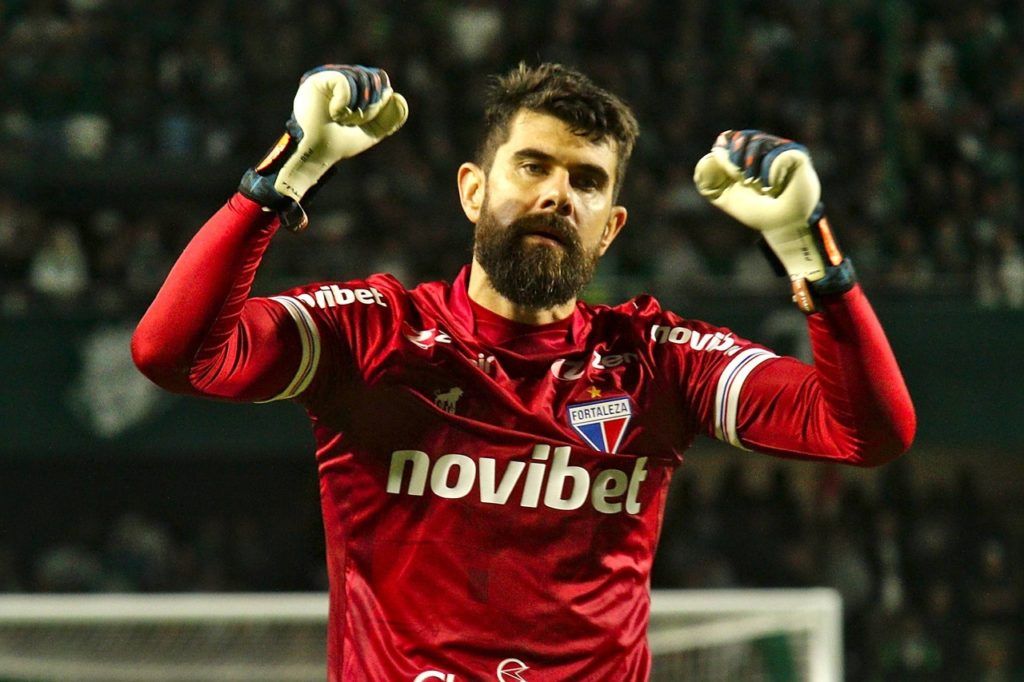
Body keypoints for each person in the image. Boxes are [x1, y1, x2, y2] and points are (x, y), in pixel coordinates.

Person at [132, 63, 916, 681]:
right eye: (532, 165)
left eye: (585, 181)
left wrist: (813, 258)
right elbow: (174, 354)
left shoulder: (657, 359)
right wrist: (281, 180)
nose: (555, 195)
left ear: (608, 229)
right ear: (474, 190)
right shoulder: (373, 333)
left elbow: (867, 433)